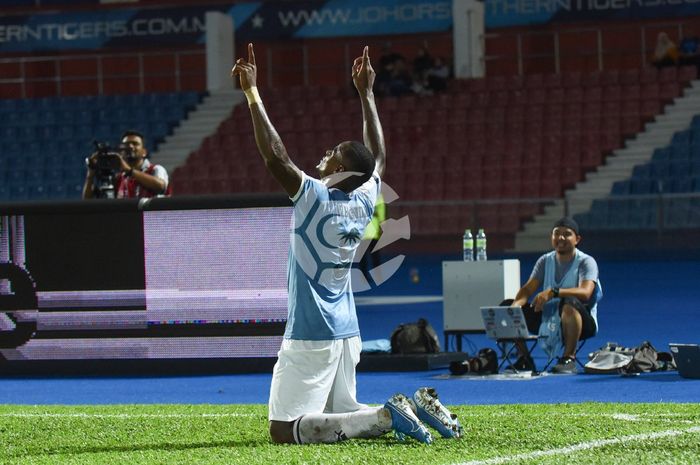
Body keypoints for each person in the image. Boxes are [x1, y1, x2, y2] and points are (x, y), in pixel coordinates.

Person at [231, 43, 462, 445]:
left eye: (332, 153)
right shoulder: (365, 196)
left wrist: (252, 93)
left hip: (310, 331)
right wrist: (367, 94)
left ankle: (390, 418)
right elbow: (379, 156)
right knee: (342, 414)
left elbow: (276, 158)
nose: (325, 155)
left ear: (339, 169)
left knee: (283, 430)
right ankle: (410, 409)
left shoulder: (316, 198)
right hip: (346, 331)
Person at [509, 217, 602, 374]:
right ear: (551, 237)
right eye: (556, 233)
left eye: (567, 234)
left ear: (577, 239)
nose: (561, 238)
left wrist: (554, 292)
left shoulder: (587, 262)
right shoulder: (545, 261)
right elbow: (527, 289)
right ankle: (524, 358)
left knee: (569, 302)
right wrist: (517, 304)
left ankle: (568, 358)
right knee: (507, 306)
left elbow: (586, 293)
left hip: (582, 322)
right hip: (548, 317)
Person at [82, 130, 169, 199]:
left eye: (135, 144)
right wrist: (91, 173)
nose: (130, 146)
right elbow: (87, 200)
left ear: (144, 152)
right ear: (121, 151)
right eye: (126, 144)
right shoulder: (119, 178)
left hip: (150, 220)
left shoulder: (155, 169)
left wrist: (129, 170)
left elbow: (161, 187)